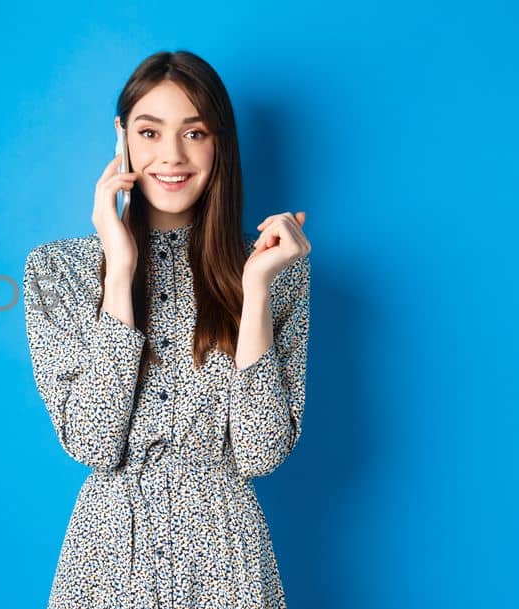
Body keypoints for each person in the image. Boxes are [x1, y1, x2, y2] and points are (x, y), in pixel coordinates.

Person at [22, 50, 313, 609]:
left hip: (228, 562)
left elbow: (258, 454)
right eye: (150, 132)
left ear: (219, 142)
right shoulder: (57, 270)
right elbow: (93, 441)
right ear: (121, 137)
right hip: (108, 561)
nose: (171, 156)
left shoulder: (275, 270)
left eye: (195, 132)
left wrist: (253, 292)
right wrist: (121, 264)